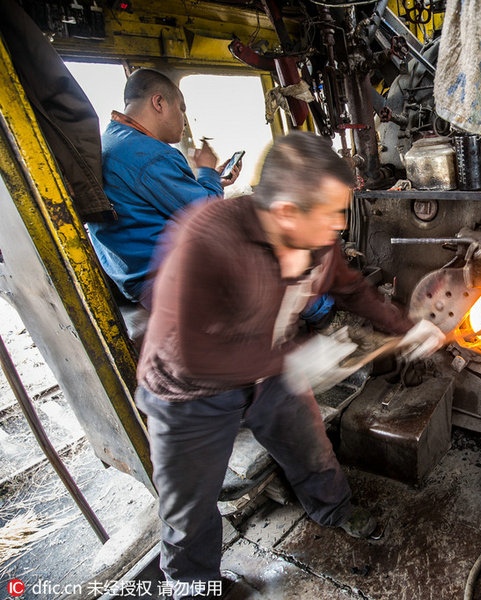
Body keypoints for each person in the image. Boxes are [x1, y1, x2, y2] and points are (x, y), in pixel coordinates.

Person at [136, 131, 445, 598]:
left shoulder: (317, 239)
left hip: (272, 370)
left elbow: (352, 289)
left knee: (310, 446)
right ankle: (194, 587)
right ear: (285, 212)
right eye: (332, 215)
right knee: (188, 507)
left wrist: (408, 328)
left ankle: (334, 510)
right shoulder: (205, 239)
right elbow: (193, 351)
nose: (340, 226)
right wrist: (300, 359)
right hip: (190, 392)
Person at [87, 68, 241, 309]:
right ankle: (318, 313)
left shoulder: (112, 139)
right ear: (159, 103)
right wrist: (208, 170)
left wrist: (215, 181)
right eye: (181, 109)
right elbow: (208, 215)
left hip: (132, 277)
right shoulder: (148, 154)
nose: (183, 120)